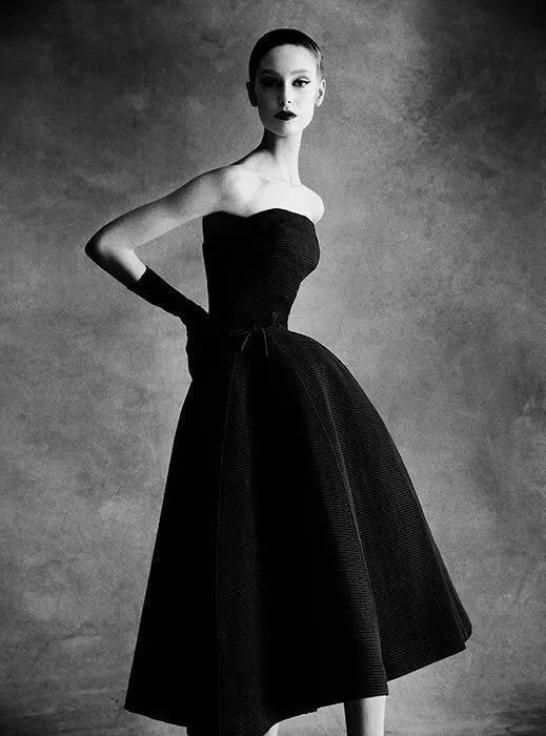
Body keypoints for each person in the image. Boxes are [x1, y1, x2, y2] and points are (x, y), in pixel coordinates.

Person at [85, 28, 472, 736]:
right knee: (242, 556)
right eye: (270, 82)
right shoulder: (231, 183)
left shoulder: (311, 201)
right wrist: (192, 318)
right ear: (251, 93)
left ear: (321, 92)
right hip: (237, 391)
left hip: (300, 387)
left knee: (342, 552)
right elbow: (109, 243)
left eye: (299, 82)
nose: (285, 96)